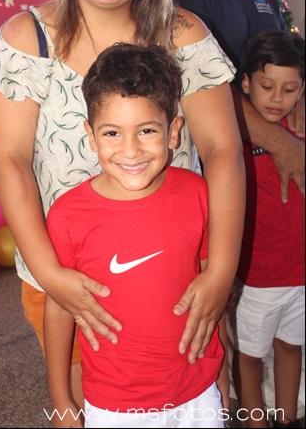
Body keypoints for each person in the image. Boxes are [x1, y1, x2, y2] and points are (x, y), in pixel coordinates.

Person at [0, 0, 245, 420]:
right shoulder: (26, 41)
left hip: (180, 275)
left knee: (198, 401)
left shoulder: (184, 34)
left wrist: (219, 272)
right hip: (72, 281)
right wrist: (52, 276)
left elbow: (222, 150)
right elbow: (9, 160)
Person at [45, 42, 225, 428]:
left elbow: (210, 295)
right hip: (115, 406)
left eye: (146, 130)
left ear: (173, 132)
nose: (130, 151)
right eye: (112, 133)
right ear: (91, 136)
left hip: (198, 392)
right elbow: (59, 307)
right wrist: (61, 400)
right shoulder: (67, 216)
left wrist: (220, 379)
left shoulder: (197, 193)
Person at [169, 0, 305, 204]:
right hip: (217, 171)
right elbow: (204, 85)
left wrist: (299, 97)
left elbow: (286, 61)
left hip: (278, 165)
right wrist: (281, 142)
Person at [231, 32, 305, 429]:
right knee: (250, 358)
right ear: (245, 84)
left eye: (289, 89)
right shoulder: (235, 137)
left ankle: (288, 420)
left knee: (291, 347)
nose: (277, 98)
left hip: (301, 277)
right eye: (266, 86)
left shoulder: (301, 132)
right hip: (259, 280)